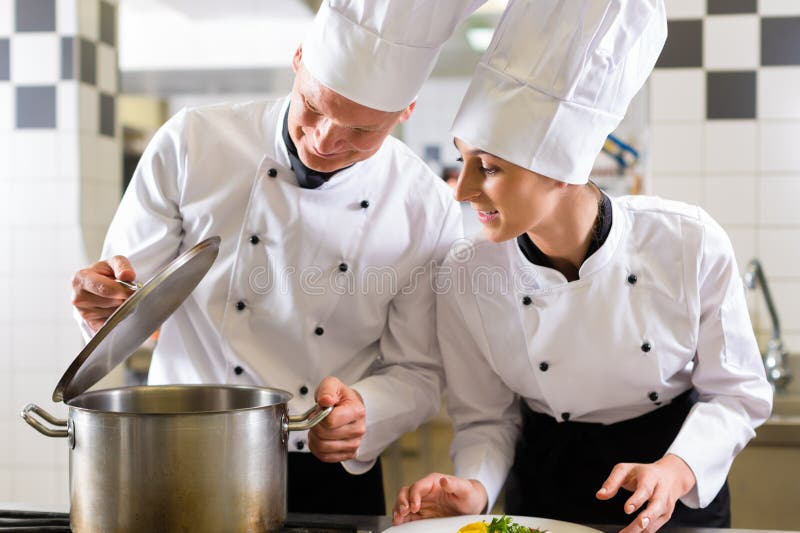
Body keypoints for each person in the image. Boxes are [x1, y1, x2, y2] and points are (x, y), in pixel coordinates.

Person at [69, 0, 477, 514]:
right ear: (299, 58)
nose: (325, 140)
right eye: (315, 106)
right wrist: (103, 307)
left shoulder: (425, 204)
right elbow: (129, 305)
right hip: (182, 451)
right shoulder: (192, 142)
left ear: (406, 112)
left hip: (327, 468)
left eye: (361, 131)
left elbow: (418, 372)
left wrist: (366, 412)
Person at [393, 0, 773, 531]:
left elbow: (736, 393)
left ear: (562, 169)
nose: (463, 190)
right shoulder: (466, 273)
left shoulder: (688, 242)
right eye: (464, 160)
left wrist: (676, 470)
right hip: (545, 490)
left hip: (673, 488)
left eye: (490, 168)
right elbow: (486, 419)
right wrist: (475, 489)